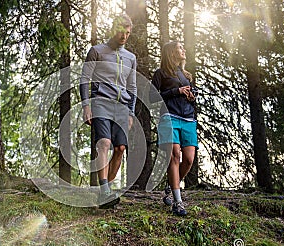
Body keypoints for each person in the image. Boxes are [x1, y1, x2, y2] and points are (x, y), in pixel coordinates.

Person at [79, 14, 137, 208]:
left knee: (120, 149)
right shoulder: (96, 51)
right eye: (121, 31)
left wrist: (131, 113)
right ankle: (104, 190)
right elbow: (85, 79)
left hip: (122, 107)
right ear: (114, 29)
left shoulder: (131, 58)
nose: (124, 36)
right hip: (100, 103)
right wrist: (86, 105)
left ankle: (107, 194)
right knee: (104, 143)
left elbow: (133, 88)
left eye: (127, 33)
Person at [151, 41, 198, 216]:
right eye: (179, 47)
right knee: (174, 156)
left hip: (188, 119)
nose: (183, 50)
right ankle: (178, 202)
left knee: (188, 159)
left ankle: (171, 185)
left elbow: (190, 96)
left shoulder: (186, 75)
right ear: (171, 52)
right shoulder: (160, 74)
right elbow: (151, 97)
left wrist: (192, 96)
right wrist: (175, 92)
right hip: (169, 117)